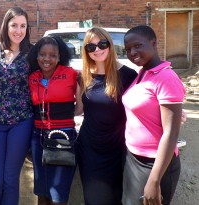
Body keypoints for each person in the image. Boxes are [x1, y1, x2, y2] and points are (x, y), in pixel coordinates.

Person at [122, 25, 185, 205]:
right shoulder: (142, 74)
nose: (132, 52)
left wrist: (154, 180)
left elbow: (171, 133)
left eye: (137, 45)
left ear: (154, 43)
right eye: (127, 49)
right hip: (134, 159)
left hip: (155, 164)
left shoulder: (166, 78)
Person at [77, 26, 138, 205]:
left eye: (102, 44)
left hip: (117, 149)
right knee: (93, 199)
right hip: (89, 149)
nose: (97, 49)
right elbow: (78, 109)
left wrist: (170, 111)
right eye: (91, 47)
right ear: (86, 51)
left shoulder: (128, 75)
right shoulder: (83, 77)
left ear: (109, 45)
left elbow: (142, 104)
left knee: (116, 198)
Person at [0, 6, 34, 205]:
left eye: (23, 26)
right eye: (14, 25)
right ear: (6, 26)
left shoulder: (32, 53)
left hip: (21, 121)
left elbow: (50, 71)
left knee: (10, 178)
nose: (18, 30)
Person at [27, 35, 82, 205]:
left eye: (52, 55)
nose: (47, 59)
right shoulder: (32, 78)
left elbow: (80, 107)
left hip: (62, 136)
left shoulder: (72, 75)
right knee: (42, 190)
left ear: (59, 57)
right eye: (43, 54)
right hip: (38, 137)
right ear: (37, 56)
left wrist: (63, 117)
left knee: (58, 195)